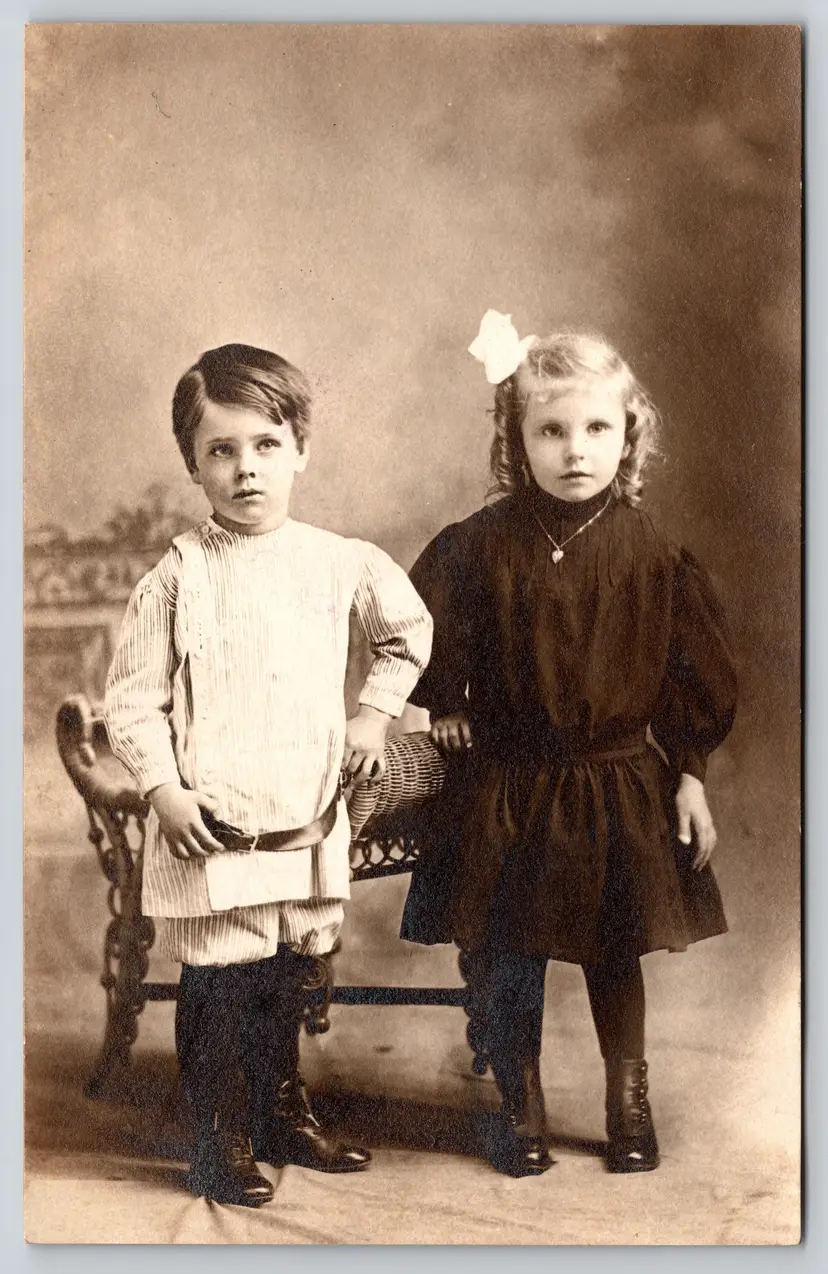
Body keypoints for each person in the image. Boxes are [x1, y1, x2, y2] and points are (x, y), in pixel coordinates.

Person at [399, 311, 737, 1179]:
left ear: (630, 436)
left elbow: (687, 681)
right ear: (518, 440)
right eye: (551, 430)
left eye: (596, 428)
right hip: (510, 780)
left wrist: (689, 778)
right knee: (510, 951)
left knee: (612, 948)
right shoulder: (480, 545)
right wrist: (442, 703)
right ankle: (521, 1099)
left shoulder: (655, 556)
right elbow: (422, 629)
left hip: (615, 780)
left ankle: (629, 1097)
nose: (575, 450)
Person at [104, 343, 432, 1207]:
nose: (246, 469)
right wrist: (164, 791)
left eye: (266, 445)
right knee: (220, 984)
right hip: (213, 827)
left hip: (304, 819)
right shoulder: (177, 577)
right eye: (221, 451)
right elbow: (131, 704)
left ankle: (283, 1110)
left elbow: (408, 632)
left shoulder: (341, 561)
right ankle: (220, 1138)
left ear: (301, 449)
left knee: (289, 970)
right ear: (193, 463)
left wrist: (374, 710)